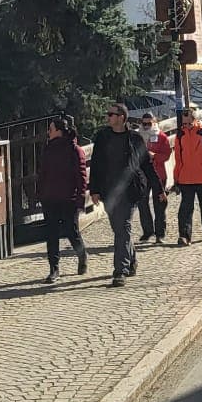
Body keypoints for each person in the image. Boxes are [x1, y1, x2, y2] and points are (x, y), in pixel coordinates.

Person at [88, 103, 151, 285]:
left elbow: (146, 164)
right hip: (109, 192)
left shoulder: (135, 139)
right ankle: (131, 260)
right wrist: (94, 190)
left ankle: (120, 271)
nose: (108, 117)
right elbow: (97, 164)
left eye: (111, 114)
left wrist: (159, 189)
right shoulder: (102, 137)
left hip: (129, 191)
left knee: (123, 228)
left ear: (122, 117)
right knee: (119, 229)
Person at [35, 114, 89, 282]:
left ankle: (82, 255)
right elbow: (42, 173)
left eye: (50, 129)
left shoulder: (75, 150)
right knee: (51, 234)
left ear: (59, 131)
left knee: (71, 231)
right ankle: (54, 268)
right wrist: (41, 193)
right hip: (50, 198)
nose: (48, 132)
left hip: (68, 198)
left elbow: (81, 176)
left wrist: (80, 199)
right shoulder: (48, 148)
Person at [172, 106, 202, 244]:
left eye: (188, 123)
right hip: (185, 179)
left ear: (195, 120)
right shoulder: (180, 135)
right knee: (185, 209)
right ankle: (184, 236)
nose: (185, 126)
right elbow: (178, 158)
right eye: (184, 123)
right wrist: (176, 178)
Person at [137, 112, 171, 243]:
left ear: (154, 123)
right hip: (142, 176)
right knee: (142, 204)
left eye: (148, 124)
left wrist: (154, 156)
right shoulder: (138, 137)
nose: (145, 126)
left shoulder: (161, 137)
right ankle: (147, 231)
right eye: (143, 124)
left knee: (160, 204)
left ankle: (160, 233)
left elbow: (167, 155)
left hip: (158, 173)